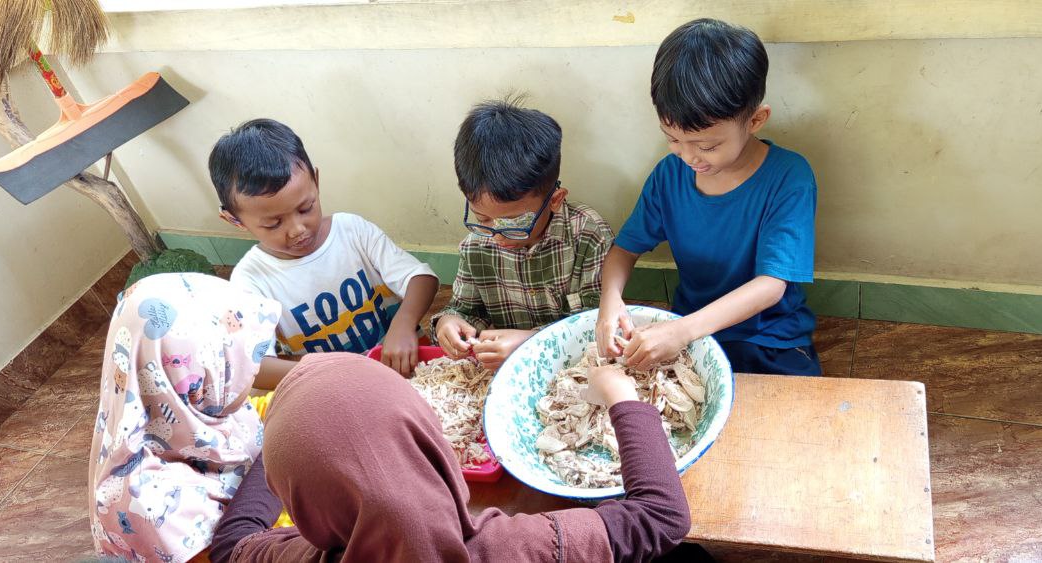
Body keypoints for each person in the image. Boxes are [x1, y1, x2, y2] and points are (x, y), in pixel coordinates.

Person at [207, 353, 691, 562]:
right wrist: (625, 401)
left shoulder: (297, 556)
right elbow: (661, 518)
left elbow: (233, 545)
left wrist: (274, 437)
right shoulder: (512, 550)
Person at [596, 19, 821, 376]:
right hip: (688, 328)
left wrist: (682, 331)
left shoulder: (789, 177)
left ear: (756, 120)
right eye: (672, 139)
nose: (689, 157)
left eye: (707, 145)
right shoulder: (669, 175)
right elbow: (624, 249)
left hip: (769, 336)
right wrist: (609, 302)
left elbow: (771, 286)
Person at [88, 273, 295, 562]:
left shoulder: (196, 413)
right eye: (236, 363)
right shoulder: (152, 507)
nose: (255, 371)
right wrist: (285, 444)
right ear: (193, 379)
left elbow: (258, 418)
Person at [211, 118, 438, 378]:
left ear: (316, 182)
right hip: (336, 387)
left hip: (406, 367)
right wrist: (334, 372)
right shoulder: (250, 281)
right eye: (273, 224)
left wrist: (404, 323)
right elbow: (256, 367)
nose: (298, 229)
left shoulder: (353, 231)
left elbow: (422, 278)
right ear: (234, 220)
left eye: (306, 208)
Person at [432, 98, 613, 372]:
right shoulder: (477, 245)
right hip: (503, 369)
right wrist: (449, 323)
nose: (497, 234)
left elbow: (596, 325)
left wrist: (530, 341)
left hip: (573, 367)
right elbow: (465, 310)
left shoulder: (588, 234)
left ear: (555, 199)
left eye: (515, 222)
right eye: (482, 218)